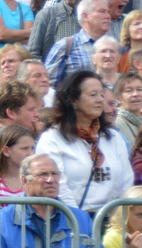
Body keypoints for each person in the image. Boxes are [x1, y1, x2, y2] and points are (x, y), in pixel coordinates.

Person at [35, 71, 133, 212]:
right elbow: (59, 186)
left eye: (101, 94)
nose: (100, 100)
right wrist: (78, 220)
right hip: (72, 220)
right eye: (93, 95)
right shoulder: (52, 138)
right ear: (74, 100)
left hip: (112, 222)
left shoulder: (113, 137)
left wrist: (118, 219)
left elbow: (126, 180)